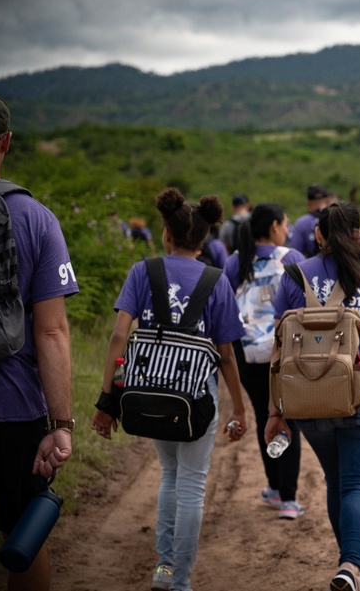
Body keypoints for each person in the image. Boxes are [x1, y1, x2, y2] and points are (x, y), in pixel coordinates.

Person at [91, 188, 248, 591]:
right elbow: (226, 355)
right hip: (196, 401)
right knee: (193, 483)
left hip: (148, 395)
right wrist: (240, 410)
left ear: (165, 233)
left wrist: (107, 399)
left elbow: (118, 336)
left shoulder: (142, 272)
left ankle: (163, 567)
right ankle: (180, 581)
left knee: (169, 474)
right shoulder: (216, 281)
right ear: (205, 238)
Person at [267, 201, 360, 591]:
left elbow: (278, 350)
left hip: (308, 396)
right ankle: (351, 565)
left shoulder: (294, 275)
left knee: (335, 480)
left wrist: (274, 409)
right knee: (357, 484)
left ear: (318, 234)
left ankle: (347, 563)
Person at [0, 92, 79, 590]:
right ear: (7, 141)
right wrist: (61, 424)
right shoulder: (36, 218)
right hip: (15, 410)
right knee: (23, 538)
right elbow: (51, 331)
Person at [224, 203, 306, 519]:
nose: (288, 230)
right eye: (286, 224)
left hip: (245, 353)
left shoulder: (235, 261)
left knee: (264, 415)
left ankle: (274, 487)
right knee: (289, 419)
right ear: (274, 226)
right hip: (283, 352)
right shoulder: (292, 259)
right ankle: (288, 498)